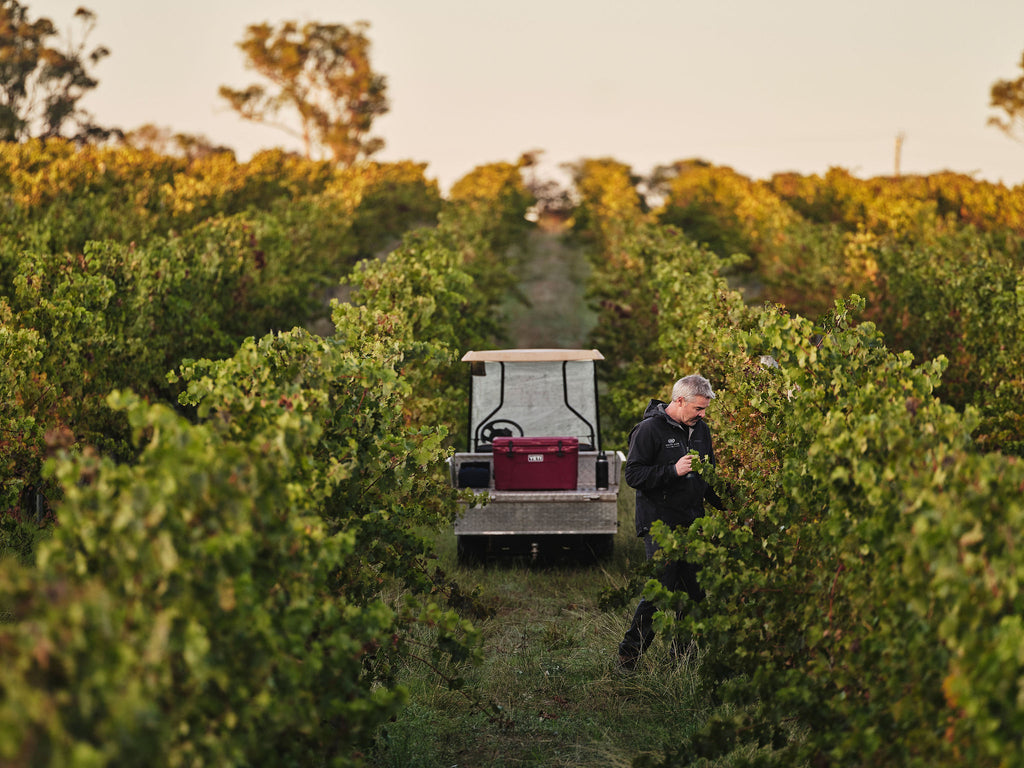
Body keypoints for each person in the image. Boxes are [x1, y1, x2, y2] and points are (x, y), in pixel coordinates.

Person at [617, 374, 723, 670]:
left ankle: (681, 661)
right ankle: (628, 657)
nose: (703, 415)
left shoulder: (701, 430)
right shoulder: (648, 430)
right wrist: (672, 471)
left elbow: (708, 476)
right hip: (659, 524)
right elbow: (633, 476)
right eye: (698, 409)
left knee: (694, 593)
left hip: (693, 523)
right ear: (679, 401)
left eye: (705, 410)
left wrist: (730, 506)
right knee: (660, 591)